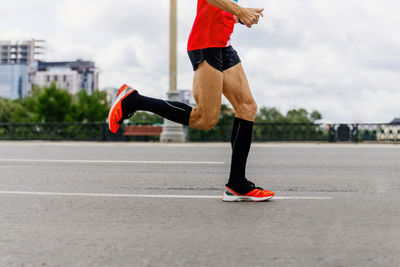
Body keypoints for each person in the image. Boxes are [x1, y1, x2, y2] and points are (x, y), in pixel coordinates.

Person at [108, 0, 274, 201]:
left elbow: (218, 9)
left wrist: (240, 16)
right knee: (204, 119)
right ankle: (134, 101)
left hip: (223, 43)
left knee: (247, 107)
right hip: (205, 43)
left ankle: (237, 184)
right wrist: (239, 10)